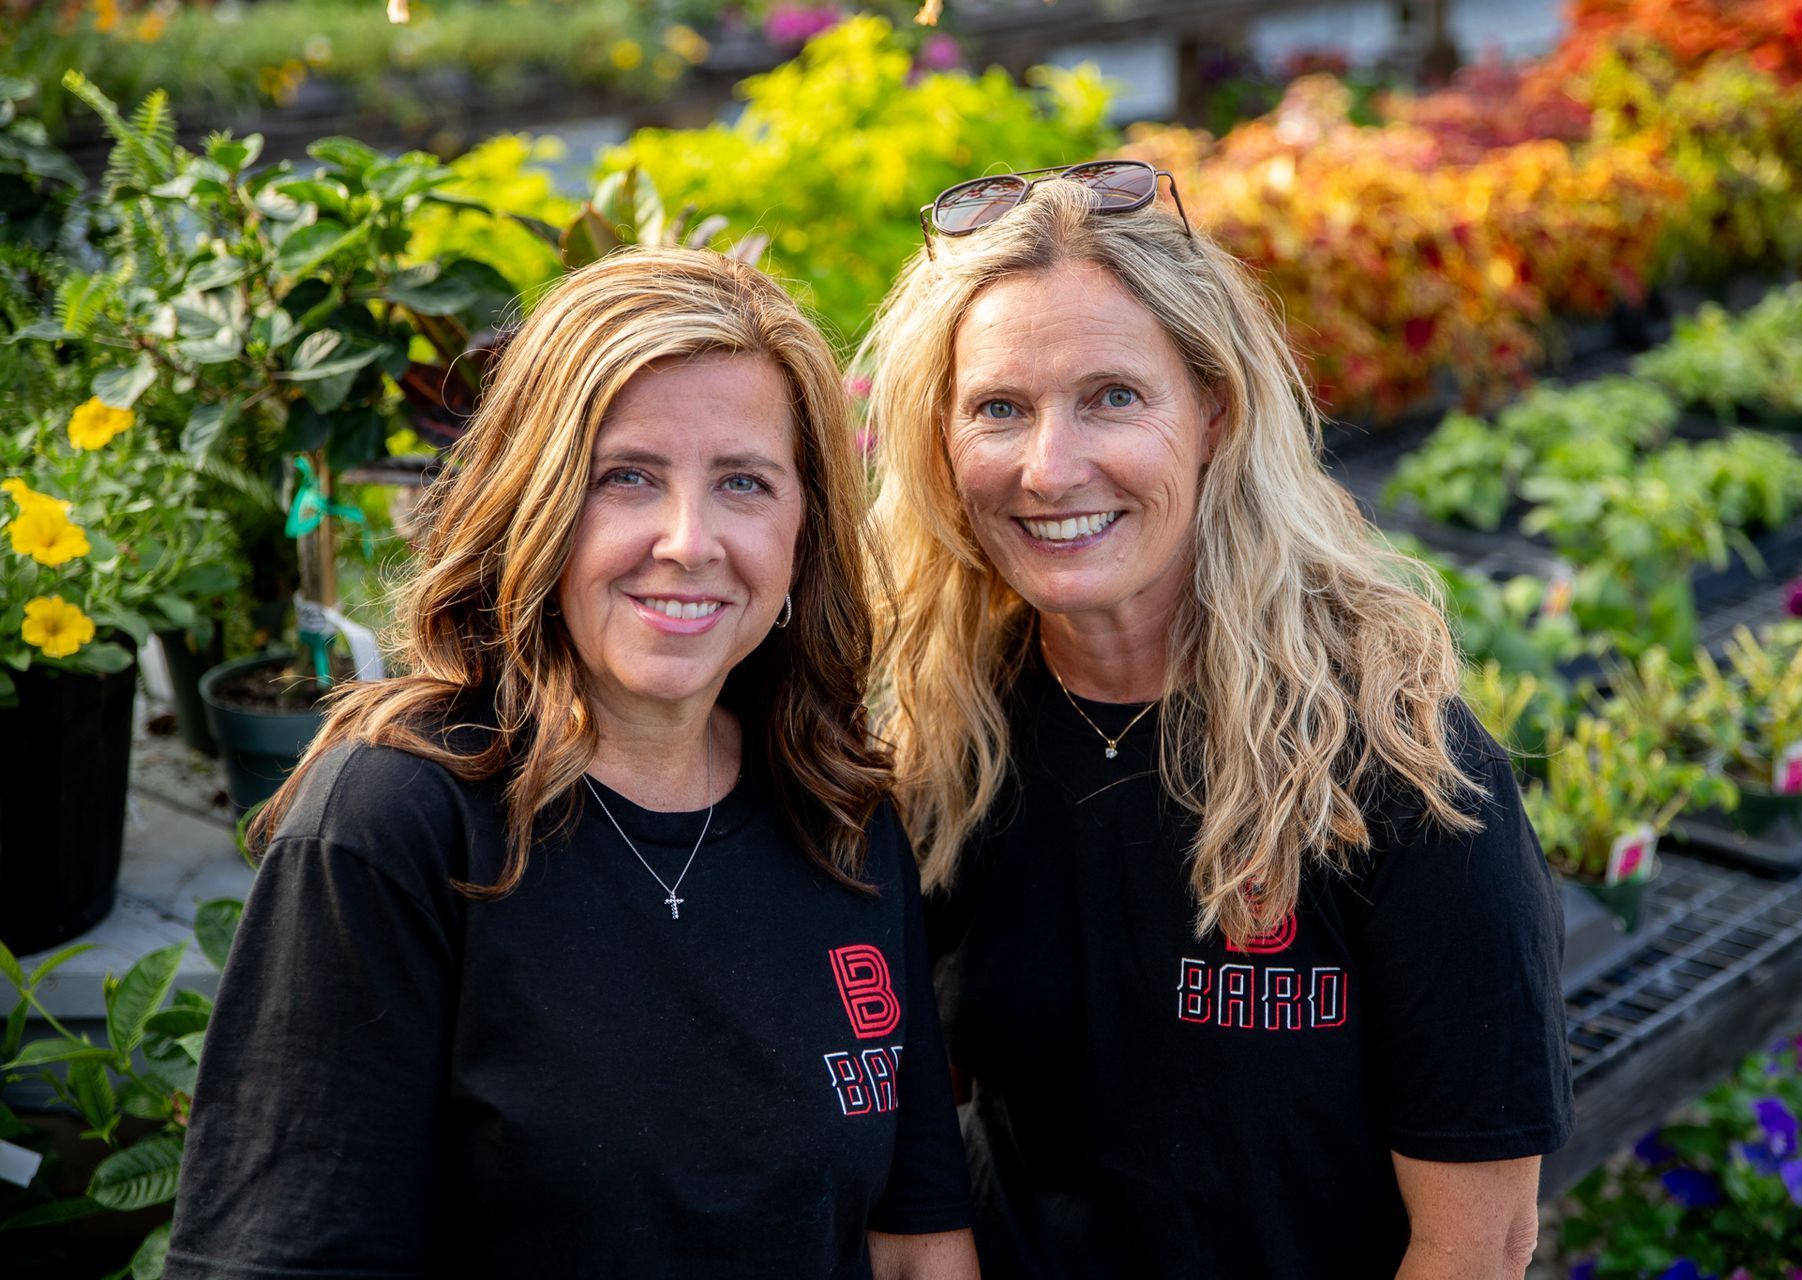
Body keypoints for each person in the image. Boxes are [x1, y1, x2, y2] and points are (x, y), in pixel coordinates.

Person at [166, 248, 977, 1280]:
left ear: (802, 531)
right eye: (626, 476)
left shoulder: (840, 813)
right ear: (535, 507)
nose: (688, 540)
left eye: (743, 481)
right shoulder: (397, 823)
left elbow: (915, 1246)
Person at [861, 162, 1573, 1278]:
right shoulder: (945, 731)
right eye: (999, 408)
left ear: (1214, 411)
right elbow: (915, 1125)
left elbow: (1478, 1242)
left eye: (1113, 396)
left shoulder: (1392, 765)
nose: (1050, 467)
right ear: (943, 447)